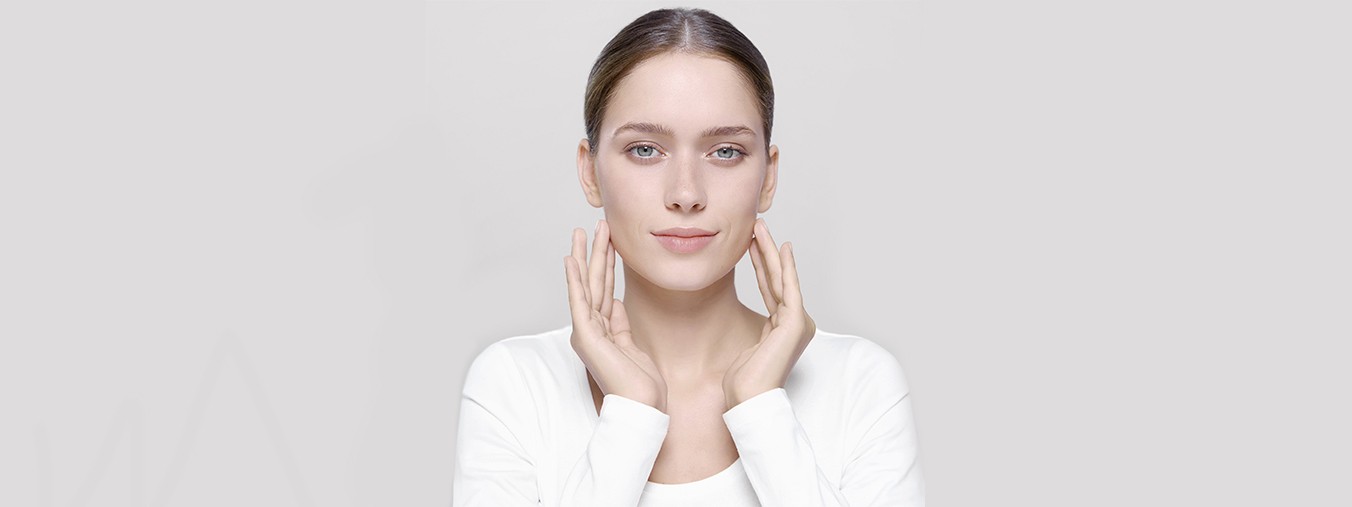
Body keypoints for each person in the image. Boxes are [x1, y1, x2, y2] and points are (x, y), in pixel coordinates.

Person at [452, 8, 923, 506]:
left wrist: (762, 409)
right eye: (644, 150)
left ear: (768, 177)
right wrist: (631, 413)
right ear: (590, 173)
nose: (685, 194)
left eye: (725, 152)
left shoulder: (859, 383)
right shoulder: (515, 386)